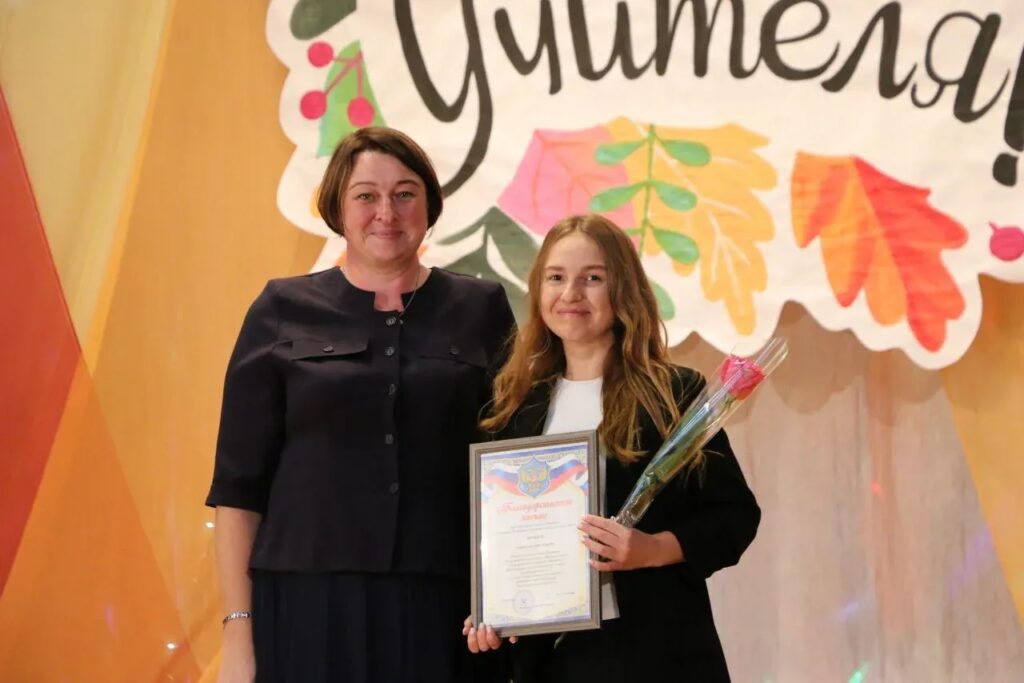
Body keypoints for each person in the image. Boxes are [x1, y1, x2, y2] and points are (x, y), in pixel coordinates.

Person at [207, 127, 515, 683]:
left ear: (429, 205)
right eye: (366, 195)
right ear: (337, 208)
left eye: (405, 194)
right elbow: (237, 490)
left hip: (444, 605)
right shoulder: (280, 308)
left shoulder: (481, 307)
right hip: (306, 605)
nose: (386, 213)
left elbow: (510, 462)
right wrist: (237, 633)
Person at [464, 214, 761, 682]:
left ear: (623, 290)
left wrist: (651, 549)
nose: (571, 294)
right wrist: (492, 609)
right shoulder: (512, 405)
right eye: (556, 277)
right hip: (551, 664)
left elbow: (734, 516)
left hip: (655, 655)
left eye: (593, 279)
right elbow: (498, 538)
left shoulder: (671, 395)